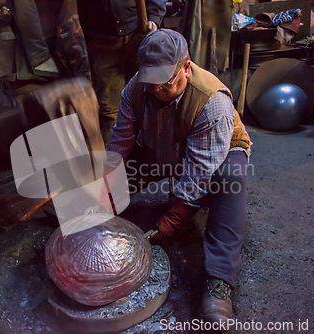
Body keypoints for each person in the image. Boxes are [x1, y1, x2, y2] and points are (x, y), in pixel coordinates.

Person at [105, 29, 252, 328]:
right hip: (165, 147)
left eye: (165, 83)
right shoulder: (136, 90)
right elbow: (120, 143)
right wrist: (102, 187)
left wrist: (173, 219)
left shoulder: (213, 104)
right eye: (150, 82)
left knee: (230, 178)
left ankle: (219, 283)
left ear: (186, 68)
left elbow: (199, 173)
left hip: (215, 155)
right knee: (112, 176)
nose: (156, 90)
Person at [76, 0, 167, 145]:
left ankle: (155, 156)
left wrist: (154, 19)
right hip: (104, 43)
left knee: (154, 98)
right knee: (110, 111)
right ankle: (115, 162)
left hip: (140, 36)